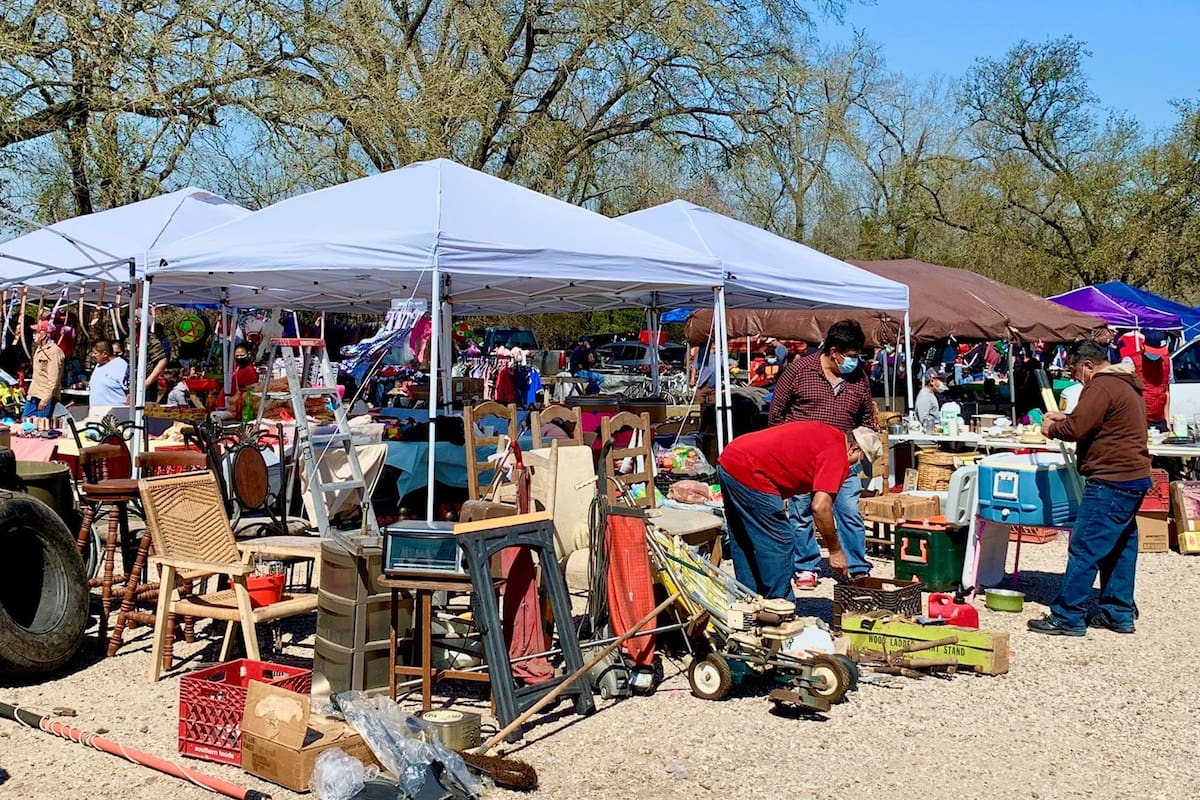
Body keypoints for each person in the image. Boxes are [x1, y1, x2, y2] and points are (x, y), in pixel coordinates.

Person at [1028, 340, 1151, 636]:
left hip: (1111, 478)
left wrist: (1052, 428)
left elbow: (1077, 430)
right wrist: (1067, 418)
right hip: (1133, 476)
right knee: (1120, 548)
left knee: (1085, 546)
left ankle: (1067, 615)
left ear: (1087, 366)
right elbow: (1095, 421)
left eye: (1074, 371)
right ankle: (1118, 611)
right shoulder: (1126, 384)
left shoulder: (1101, 385)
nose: (1074, 377)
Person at [769, 319, 879, 589]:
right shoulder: (799, 370)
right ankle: (806, 565)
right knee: (801, 512)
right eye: (851, 356)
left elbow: (867, 418)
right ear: (834, 351)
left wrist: (860, 445)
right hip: (802, 460)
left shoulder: (859, 378)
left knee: (849, 512)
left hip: (844, 459)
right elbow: (776, 413)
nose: (855, 361)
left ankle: (857, 566)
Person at [717, 422, 880, 601]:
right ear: (854, 449)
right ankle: (779, 606)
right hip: (750, 469)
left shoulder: (830, 436)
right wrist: (835, 550)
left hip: (732, 457)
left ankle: (748, 601)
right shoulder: (837, 454)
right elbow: (820, 507)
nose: (856, 468)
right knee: (780, 538)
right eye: (860, 461)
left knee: (745, 537)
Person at [25, 318, 66, 418]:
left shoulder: (54, 352)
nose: (34, 334)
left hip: (45, 395)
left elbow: (53, 378)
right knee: (25, 423)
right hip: (34, 393)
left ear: (45, 333)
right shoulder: (39, 349)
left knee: (41, 427)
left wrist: (45, 399)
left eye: (37, 331)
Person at [87, 340, 129, 407]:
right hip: (96, 413)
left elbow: (129, 392)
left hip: (115, 414)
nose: (92, 355)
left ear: (105, 354)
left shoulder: (120, 365)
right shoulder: (98, 365)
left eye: (95, 353)